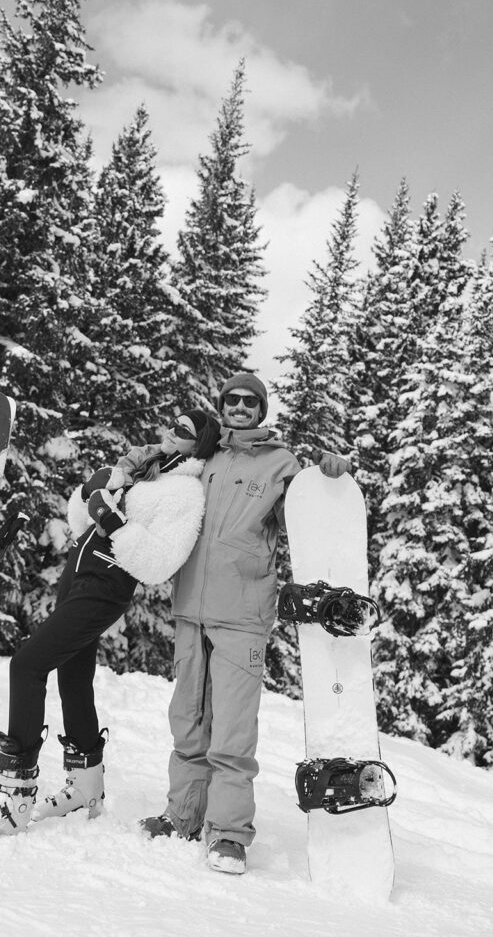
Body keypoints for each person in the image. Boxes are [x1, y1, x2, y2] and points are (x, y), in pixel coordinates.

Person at [0, 409, 221, 835]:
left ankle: (14, 794)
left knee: (27, 664)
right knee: (72, 676)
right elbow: (83, 521)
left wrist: (115, 522)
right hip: (79, 574)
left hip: (108, 585)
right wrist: (89, 495)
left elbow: (161, 562)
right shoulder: (143, 468)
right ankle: (84, 786)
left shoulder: (185, 493)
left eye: (185, 430)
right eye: (173, 421)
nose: (172, 429)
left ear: (199, 445)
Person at [140, 372, 349, 875]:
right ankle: (184, 814)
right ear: (223, 406)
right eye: (230, 400)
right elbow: (153, 465)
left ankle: (230, 834)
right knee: (188, 722)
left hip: (243, 615)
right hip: (191, 607)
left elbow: (308, 508)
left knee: (232, 732)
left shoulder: (283, 464)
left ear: (261, 410)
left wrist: (329, 474)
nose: (238, 407)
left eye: (248, 402)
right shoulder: (205, 456)